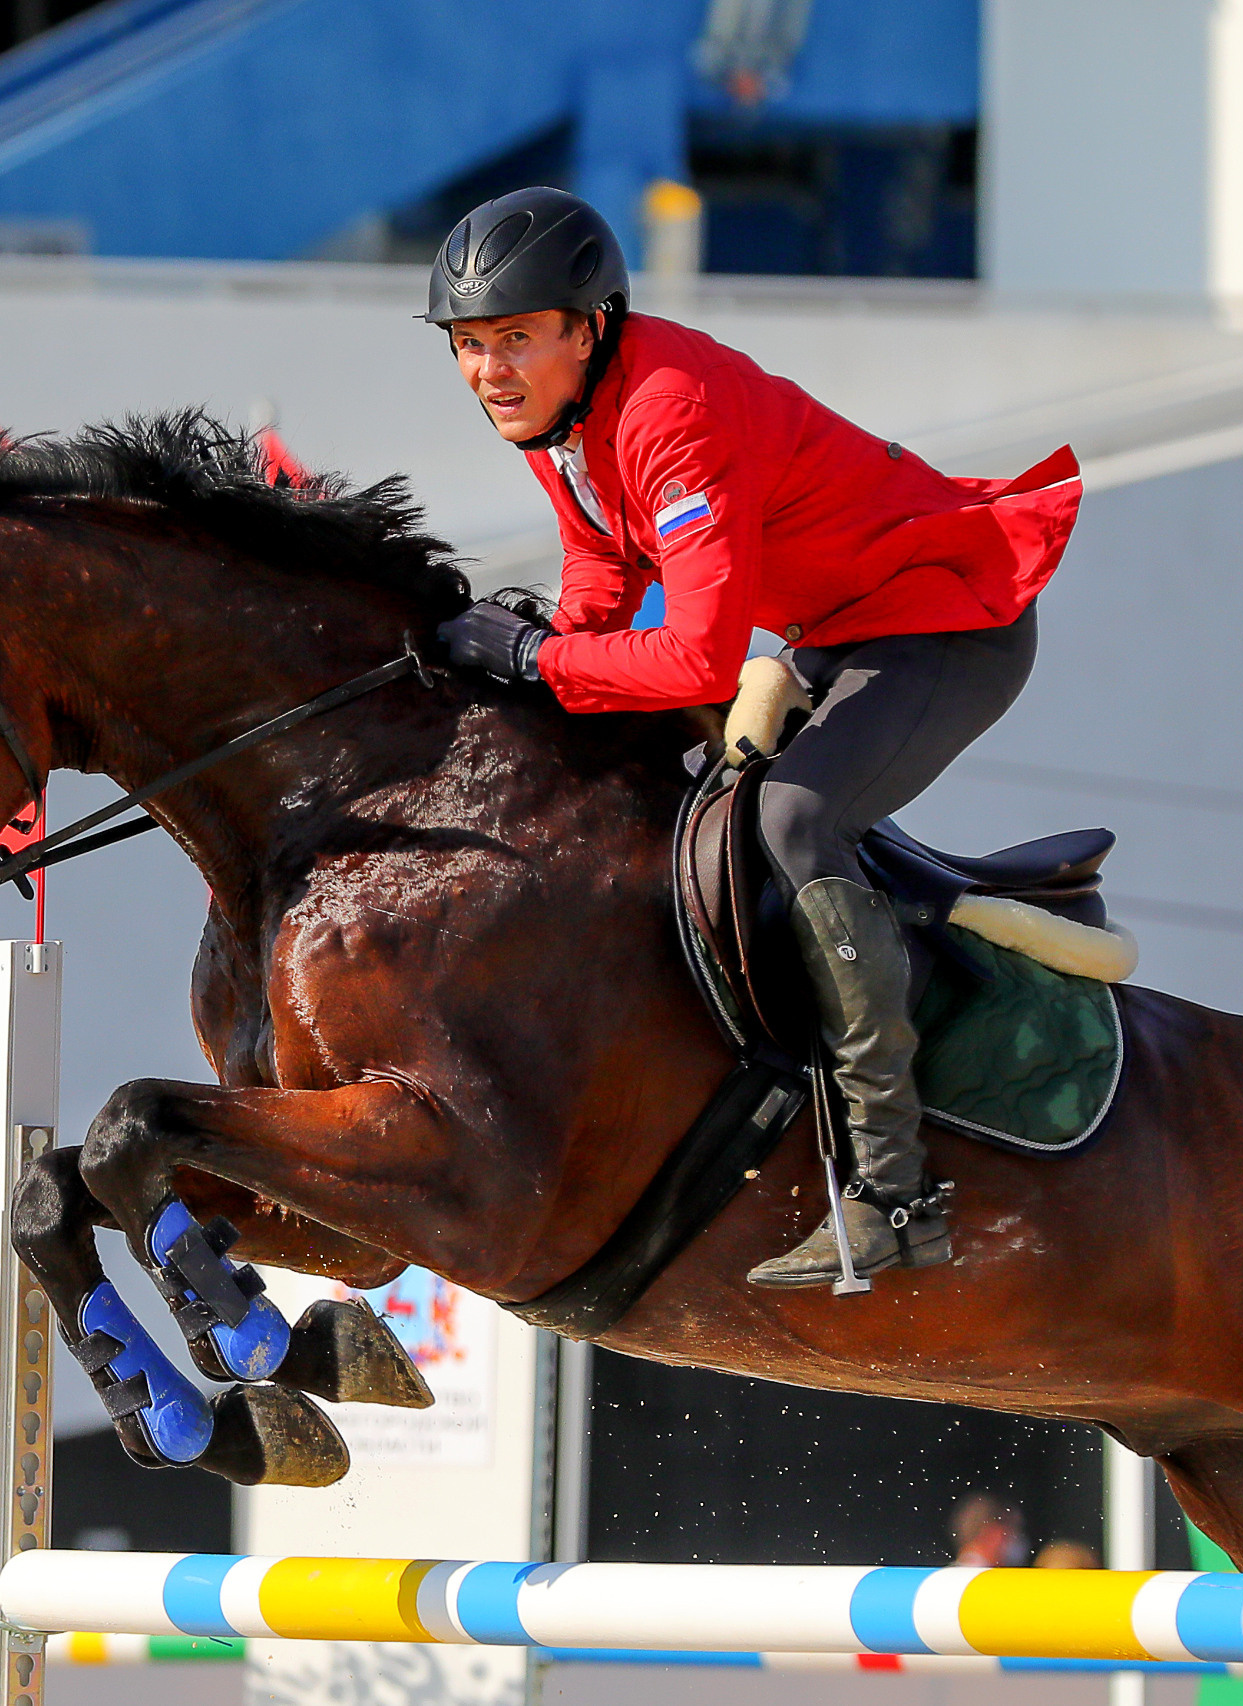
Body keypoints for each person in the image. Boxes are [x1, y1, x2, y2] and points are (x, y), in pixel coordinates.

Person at [427, 188, 1081, 1290]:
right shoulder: (559, 414)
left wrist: (538, 661)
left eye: (515, 339)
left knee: (791, 815)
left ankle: (894, 1187)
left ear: (588, 328)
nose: (489, 369)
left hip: (950, 623)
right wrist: (556, 647)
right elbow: (601, 557)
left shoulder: (667, 409)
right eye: (468, 344)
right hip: (848, 630)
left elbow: (694, 658)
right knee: (701, 806)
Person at [950, 1493, 1030, 1567]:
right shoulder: (974, 1571)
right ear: (990, 1532)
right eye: (1007, 1532)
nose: (1012, 1539)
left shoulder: (966, 1568)